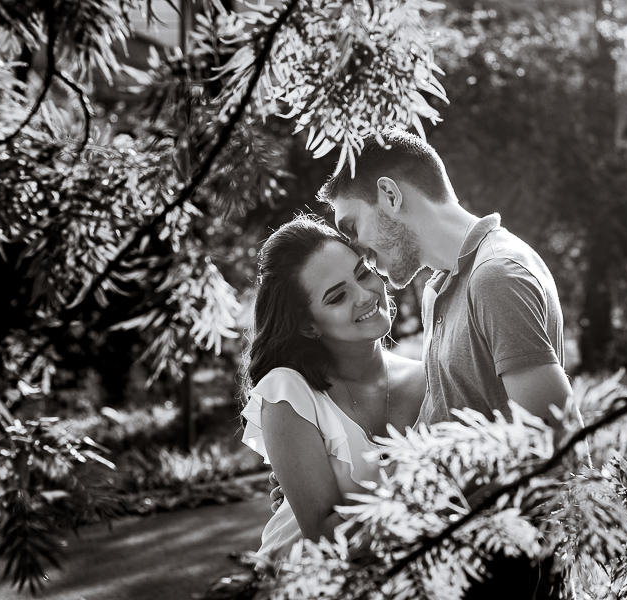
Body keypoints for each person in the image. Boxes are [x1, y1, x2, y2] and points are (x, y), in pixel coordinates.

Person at [271, 129, 571, 597]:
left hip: (506, 563)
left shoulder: (496, 276)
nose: (358, 251)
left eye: (353, 227)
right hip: (461, 563)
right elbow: (453, 420)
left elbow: (552, 432)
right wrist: (324, 480)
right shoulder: (442, 288)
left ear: (389, 195)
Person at [240, 215, 425, 564]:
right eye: (337, 297)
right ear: (308, 326)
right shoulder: (288, 393)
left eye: (363, 273)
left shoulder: (431, 378)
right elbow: (327, 538)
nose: (365, 295)